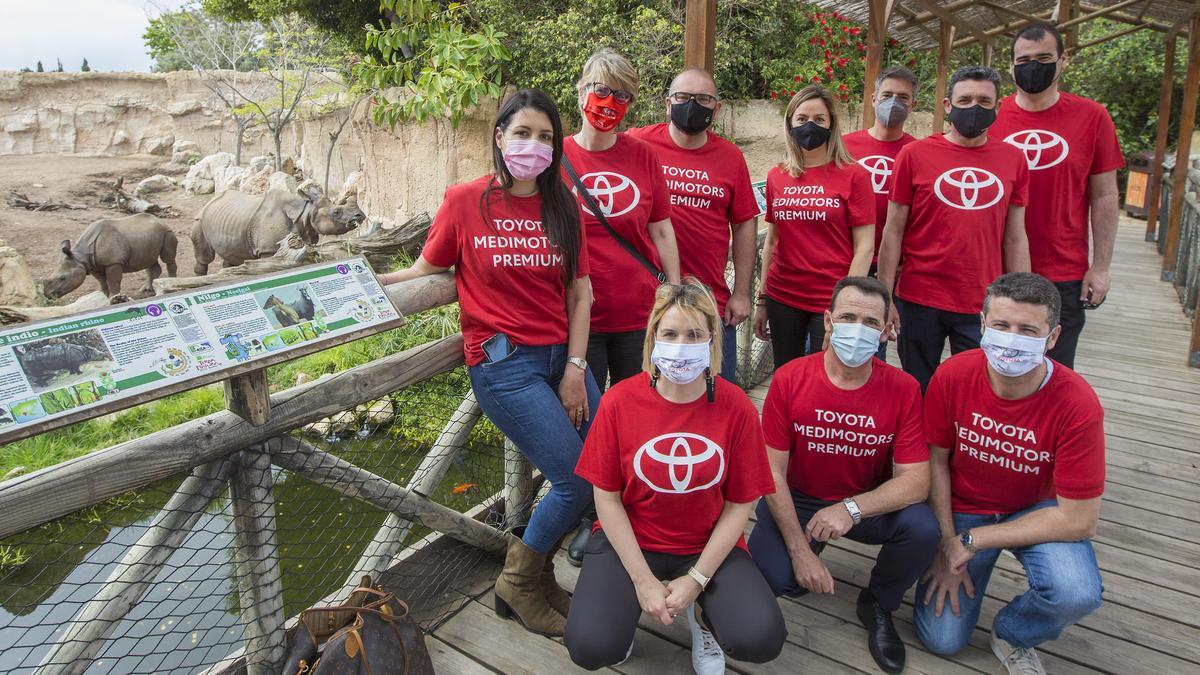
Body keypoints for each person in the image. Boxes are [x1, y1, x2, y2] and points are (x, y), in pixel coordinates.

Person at [377, 89, 599, 637]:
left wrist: (575, 369)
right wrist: (360, 285)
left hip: (562, 360)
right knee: (575, 482)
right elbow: (424, 270)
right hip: (505, 365)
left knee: (603, 468)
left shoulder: (563, 204)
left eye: (546, 137)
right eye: (522, 133)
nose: (534, 146)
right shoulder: (464, 200)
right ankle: (518, 583)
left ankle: (539, 579)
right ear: (499, 137)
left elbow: (581, 294)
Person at [566, 281, 786, 674]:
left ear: (712, 340)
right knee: (590, 646)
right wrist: (642, 580)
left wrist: (697, 579)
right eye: (670, 334)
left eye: (694, 334)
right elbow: (607, 498)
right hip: (632, 541)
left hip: (705, 545)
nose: (682, 345)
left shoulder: (736, 407)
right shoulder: (619, 402)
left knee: (761, 638)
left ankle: (703, 619)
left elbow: (740, 505)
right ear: (653, 338)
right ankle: (626, 613)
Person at [915, 272, 1105, 675]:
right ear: (982, 325)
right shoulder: (952, 375)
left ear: (1052, 338)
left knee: (1076, 592)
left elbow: (1081, 520)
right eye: (1001, 325)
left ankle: (1014, 632)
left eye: (1027, 330)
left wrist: (971, 541)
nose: (1011, 338)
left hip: (1037, 509)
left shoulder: (1077, 403)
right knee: (942, 640)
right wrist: (946, 541)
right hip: (965, 504)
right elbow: (936, 460)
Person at [748, 276, 940, 674]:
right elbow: (771, 472)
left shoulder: (903, 389)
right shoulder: (790, 379)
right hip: (799, 497)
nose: (858, 329)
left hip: (864, 501)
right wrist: (799, 551)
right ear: (828, 321)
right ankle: (807, 550)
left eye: (870, 322)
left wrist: (851, 509)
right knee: (778, 579)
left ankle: (879, 603)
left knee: (922, 528)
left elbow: (917, 481)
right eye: (848, 317)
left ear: (887, 330)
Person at [878, 66, 1031, 391]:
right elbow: (893, 231)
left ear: (997, 106)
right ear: (947, 105)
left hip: (983, 300)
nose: (973, 107)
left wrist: (1022, 300)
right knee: (916, 388)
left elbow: (1016, 236)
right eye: (965, 99)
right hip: (919, 298)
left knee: (977, 389)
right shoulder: (914, 155)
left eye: (983, 100)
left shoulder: (1014, 159)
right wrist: (885, 295)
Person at [991, 23, 1123, 368]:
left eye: (1044, 58)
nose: (1033, 66)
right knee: (996, 363)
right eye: (1025, 59)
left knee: (1054, 367)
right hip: (996, 265)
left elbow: (1105, 196)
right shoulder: (990, 116)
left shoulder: (1092, 117)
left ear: (1063, 60)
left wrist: (1101, 266)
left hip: (1063, 268)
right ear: (1011, 66)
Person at [627, 67, 760, 384]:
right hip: (646, 300)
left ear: (717, 106)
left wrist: (742, 293)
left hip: (708, 299)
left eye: (703, 99)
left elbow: (744, 225)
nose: (692, 105)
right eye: (684, 97)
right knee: (647, 393)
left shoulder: (730, 157)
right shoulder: (637, 144)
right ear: (668, 103)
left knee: (715, 389)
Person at [564, 47, 681, 389]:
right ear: (582, 90)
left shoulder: (643, 155)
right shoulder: (557, 156)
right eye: (601, 90)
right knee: (587, 417)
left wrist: (673, 292)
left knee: (640, 408)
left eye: (622, 95)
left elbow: (661, 229)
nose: (609, 101)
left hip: (639, 313)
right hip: (580, 317)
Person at [754, 86, 875, 370]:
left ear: (831, 124)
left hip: (830, 299)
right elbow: (772, 241)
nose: (810, 125)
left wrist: (845, 305)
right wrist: (762, 300)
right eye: (802, 118)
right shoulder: (777, 176)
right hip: (783, 296)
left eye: (819, 119)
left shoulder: (854, 175)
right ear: (790, 124)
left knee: (829, 372)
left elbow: (865, 246)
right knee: (786, 373)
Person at [843, 67, 920, 361]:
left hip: (894, 269)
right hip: (848, 261)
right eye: (887, 95)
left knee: (876, 345)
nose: (893, 103)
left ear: (913, 104)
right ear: (873, 99)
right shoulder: (846, 146)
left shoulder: (918, 151)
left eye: (903, 97)